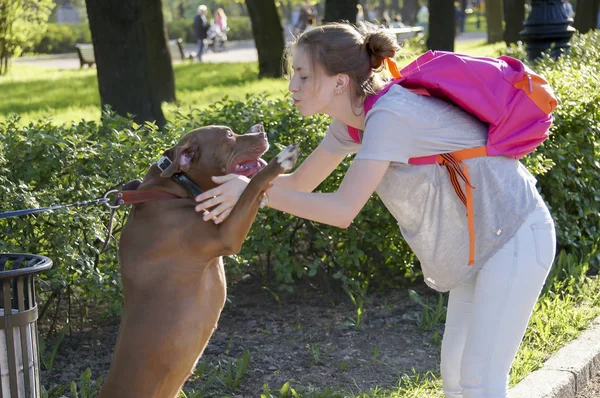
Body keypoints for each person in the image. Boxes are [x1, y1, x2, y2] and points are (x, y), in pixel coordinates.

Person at [194, 23, 556, 398]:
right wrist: (242, 180)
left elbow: (342, 209)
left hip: (515, 235)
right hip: (481, 244)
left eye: (303, 76)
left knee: (480, 379)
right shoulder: (352, 123)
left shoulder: (389, 116)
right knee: (457, 379)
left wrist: (254, 194)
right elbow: (301, 184)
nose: (292, 87)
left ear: (339, 82)